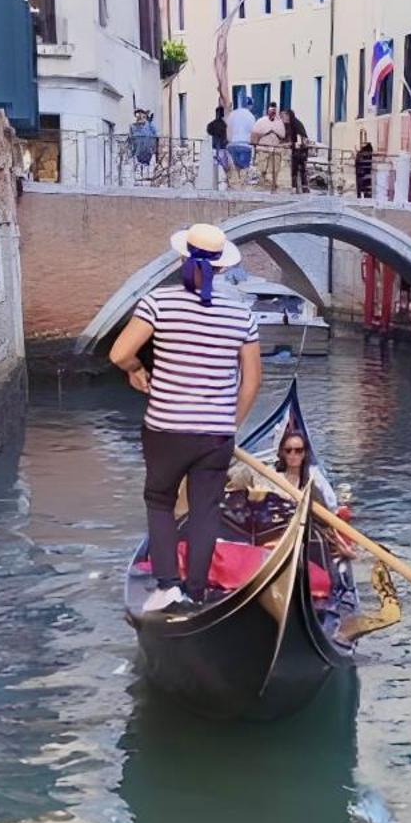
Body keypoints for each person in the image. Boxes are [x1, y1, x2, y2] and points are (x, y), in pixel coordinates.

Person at [108, 222, 261, 615]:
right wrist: (231, 423)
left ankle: (167, 587)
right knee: (206, 510)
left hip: (165, 429)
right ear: (224, 268)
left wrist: (136, 371)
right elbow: (252, 382)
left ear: (181, 260)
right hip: (214, 436)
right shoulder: (242, 314)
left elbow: (119, 353)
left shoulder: (158, 302)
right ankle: (195, 592)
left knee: (159, 501)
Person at [252, 103, 289, 190]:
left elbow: (283, 135)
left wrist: (275, 131)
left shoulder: (279, 122)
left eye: (274, 112)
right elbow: (255, 133)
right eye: (271, 111)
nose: (272, 113)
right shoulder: (261, 121)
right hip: (263, 148)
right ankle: (261, 182)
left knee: (275, 168)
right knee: (262, 167)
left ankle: (274, 183)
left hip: (275, 149)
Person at [226, 98, 257, 185]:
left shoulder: (232, 114)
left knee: (236, 166)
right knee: (245, 166)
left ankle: (238, 182)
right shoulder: (251, 116)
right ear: (250, 105)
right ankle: (243, 183)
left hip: (232, 144)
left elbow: (228, 128)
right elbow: (253, 132)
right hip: (245, 144)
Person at [284, 105, 311, 192]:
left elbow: (300, 138)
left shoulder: (295, 124)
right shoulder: (294, 123)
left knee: (296, 169)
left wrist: (292, 144)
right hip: (300, 150)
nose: (285, 118)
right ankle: (303, 187)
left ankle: (296, 187)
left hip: (299, 150)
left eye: (286, 116)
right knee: (301, 169)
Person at [128, 108, 157, 184]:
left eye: (141, 114)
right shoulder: (133, 127)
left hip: (148, 154)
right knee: (137, 175)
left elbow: (155, 136)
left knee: (147, 174)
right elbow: (131, 139)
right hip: (137, 154)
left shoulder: (149, 126)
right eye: (138, 114)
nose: (139, 116)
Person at [206, 106, 230, 188]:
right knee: (225, 168)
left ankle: (215, 185)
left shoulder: (211, 124)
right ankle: (226, 184)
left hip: (213, 148)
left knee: (215, 168)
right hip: (223, 149)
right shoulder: (225, 125)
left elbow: (209, 132)